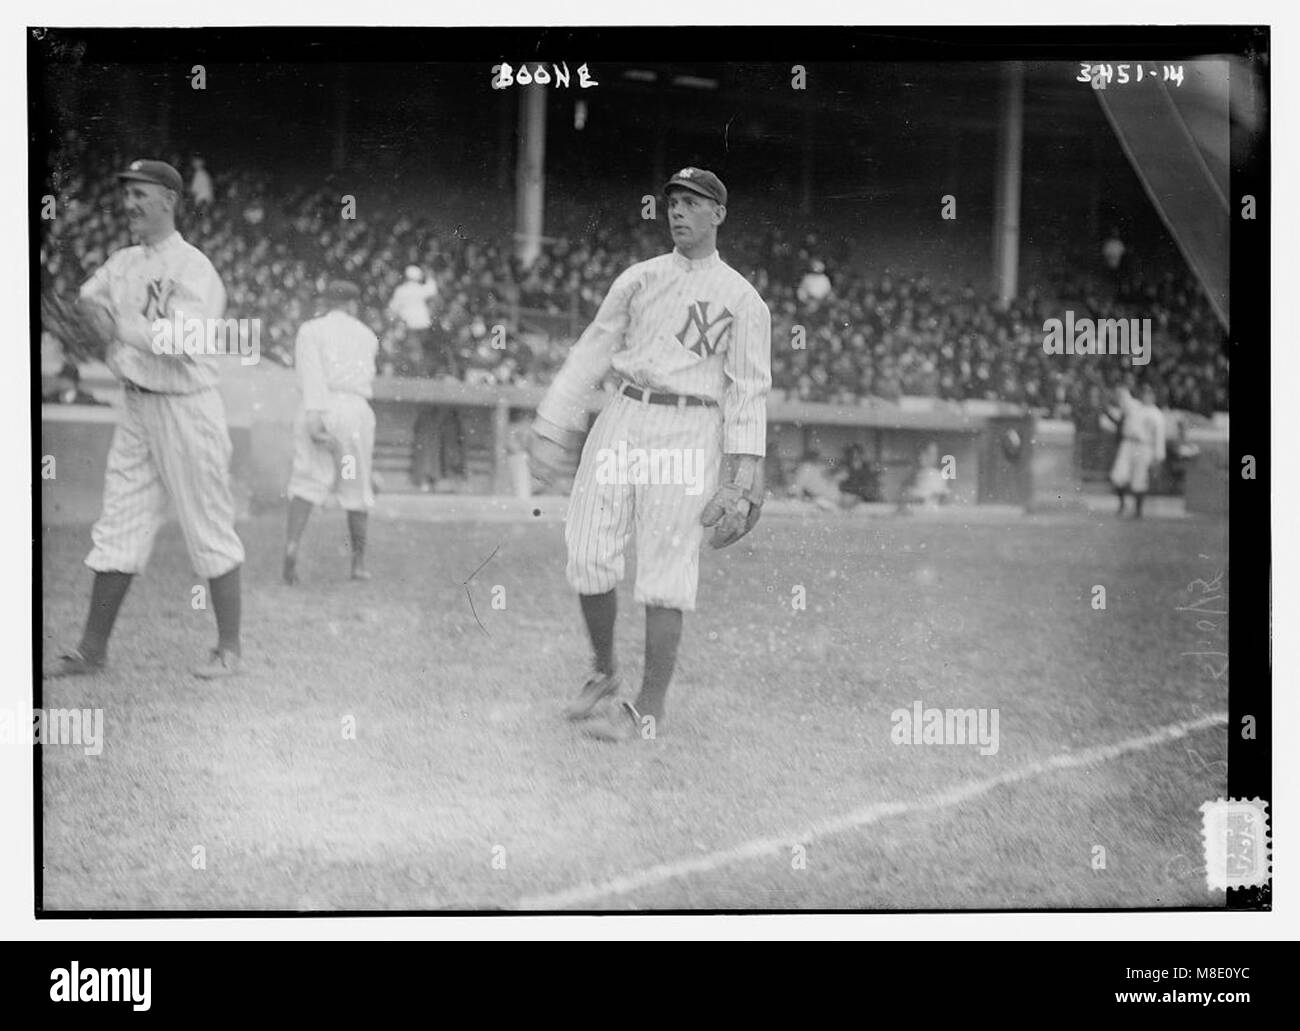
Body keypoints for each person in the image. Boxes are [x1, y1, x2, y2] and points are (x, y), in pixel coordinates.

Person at [529, 166, 772, 743]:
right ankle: (603, 672)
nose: (679, 212)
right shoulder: (637, 278)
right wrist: (550, 423)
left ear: (718, 213)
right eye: (673, 203)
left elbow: (748, 388)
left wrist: (744, 473)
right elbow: (593, 348)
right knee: (588, 550)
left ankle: (649, 705)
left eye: (692, 203)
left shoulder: (742, 298)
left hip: (691, 427)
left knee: (667, 569)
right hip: (625, 411)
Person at [47, 159, 245, 679]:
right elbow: (88, 305)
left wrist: (120, 327)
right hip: (136, 404)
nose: (129, 203)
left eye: (140, 193)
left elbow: (186, 343)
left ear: (169, 200)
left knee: (208, 524)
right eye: (127, 193)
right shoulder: (122, 262)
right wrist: (91, 322)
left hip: (187, 406)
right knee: (119, 523)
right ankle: (92, 651)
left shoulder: (194, 268)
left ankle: (229, 650)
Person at [283, 280, 379, 584]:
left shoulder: (311, 330)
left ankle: (292, 547)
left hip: (320, 404)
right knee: (356, 484)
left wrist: (315, 417)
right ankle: (359, 564)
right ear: (352, 305)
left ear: (326, 303)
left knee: (307, 478)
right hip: (354, 410)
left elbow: (310, 374)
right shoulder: (367, 335)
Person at [1109, 382, 1166, 518]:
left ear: (1154, 396)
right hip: (1128, 443)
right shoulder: (1134, 406)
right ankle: (1122, 505)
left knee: (1139, 479)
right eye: (1145, 393)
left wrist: (1158, 457)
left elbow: (1159, 438)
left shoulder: (1157, 414)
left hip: (1144, 446)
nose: (1147, 396)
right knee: (1118, 475)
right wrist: (1123, 386)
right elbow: (1122, 395)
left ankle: (1138, 510)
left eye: (1150, 393)